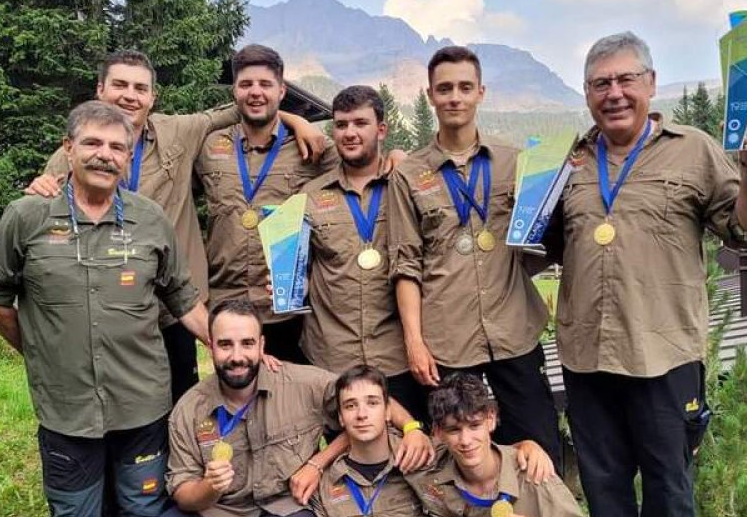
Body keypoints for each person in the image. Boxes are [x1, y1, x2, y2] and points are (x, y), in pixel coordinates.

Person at [542, 31, 747, 517]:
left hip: (663, 357)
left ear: (650, 83)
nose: (614, 92)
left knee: (670, 496)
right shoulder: (571, 164)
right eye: (601, 83)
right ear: (586, 93)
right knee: (605, 498)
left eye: (627, 79)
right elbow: (543, 245)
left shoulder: (692, 150)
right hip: (587, 359)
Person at [0, 101, 210, 517]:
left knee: (143, 514)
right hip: (67, 408)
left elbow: (183, 298)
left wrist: (232, 347)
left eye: (117, 148)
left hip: (142, 402)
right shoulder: (27, 217)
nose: (105, 155)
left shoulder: (150, 219)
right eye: (93, 143)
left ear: (127, 159)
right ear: (68, 150)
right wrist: (37, 349)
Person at [27, 49, 325, 403]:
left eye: (140, 88)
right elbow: (44, 202)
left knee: (181, 399)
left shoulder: (180, 132)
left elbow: (248, 108)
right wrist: (41, 185)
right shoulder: (76, 150)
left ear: (153, 97)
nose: (129, 95)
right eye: (119, 85)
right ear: (100, 90)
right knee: (101, 398)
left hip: (175, 308)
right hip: (105, 304)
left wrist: (297, 121)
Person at [130, 300, 433, 517]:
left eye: (247, 343)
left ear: (262, 345)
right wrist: (208, 486)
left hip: (284, 509)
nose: (237, 356)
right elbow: (183, 493)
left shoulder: (303, 384)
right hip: (216, 513)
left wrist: (410, 427)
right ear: (210, 345)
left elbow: (366, 401)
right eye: (225, 344)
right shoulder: (190, 407)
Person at [387, 45, 563, 467]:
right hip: (447, 342)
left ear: (481, 92)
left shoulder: (515, 162)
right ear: (430, 95)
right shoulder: (410, 173)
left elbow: (542, 241)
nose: (454, 97)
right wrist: (414, 341)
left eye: (465, 87)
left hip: (514, 332)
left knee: (539, 452)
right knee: (455, 458)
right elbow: (406, 264)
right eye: (444, 88)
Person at [313, 365, 559, 517]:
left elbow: (473, 449)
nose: (362, 414)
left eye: (372, 403)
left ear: (389, 412)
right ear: (341, 420)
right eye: (350, 406)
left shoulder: (424, 455)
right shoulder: (326, 483)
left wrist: (525, 446)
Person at [196, 44, 339, 363]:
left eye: (265, 85)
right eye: (246, 84)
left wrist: (397, 157)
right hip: (224, 303)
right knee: (234, 405)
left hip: (284, 308)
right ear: (234, 90)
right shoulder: (208, 145)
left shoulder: (310, 147)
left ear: (282, 90)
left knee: (286, 405)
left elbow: (363, 164)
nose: (255, 92)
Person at [299, 86, 427, 422]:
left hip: (399, 357)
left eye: (360, 123)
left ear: (381, 129)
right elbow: (300, 270)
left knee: (410, 455)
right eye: (341, 125)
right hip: (332, 359)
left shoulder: (409, 185)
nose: (350, 133)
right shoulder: (310, 197)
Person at [404, 373, 604, 517]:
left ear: (490, 419)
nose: (466, 440)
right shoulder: (428, 466)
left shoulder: (532, 471)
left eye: (474, 426)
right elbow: (377, 413)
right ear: (438, 432)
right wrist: (410, 428)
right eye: (454, 430)